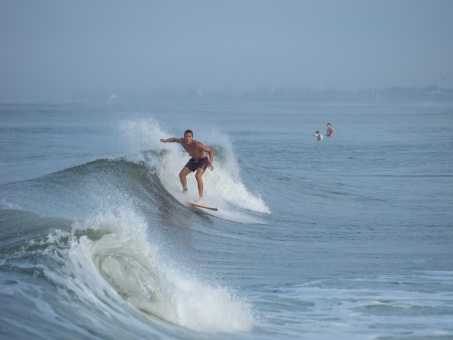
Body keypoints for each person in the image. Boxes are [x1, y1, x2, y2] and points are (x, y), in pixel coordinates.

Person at [160, 130, 214, 201]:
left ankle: (200, 197)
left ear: (192, 137)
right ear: (184, 137)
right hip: (194, 160)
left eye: (189, 137)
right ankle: (185, 191)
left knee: (198, 175)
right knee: (181, 174)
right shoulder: (182, 141)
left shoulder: (197, 144)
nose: (187, 138)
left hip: (203, 160)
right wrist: (166, 140)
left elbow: (210, 151)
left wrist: (210, 162)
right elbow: (174, 139)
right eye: (186, 136)